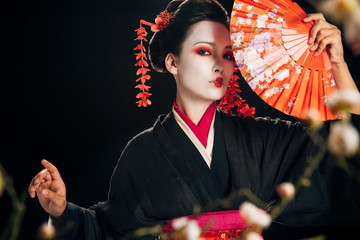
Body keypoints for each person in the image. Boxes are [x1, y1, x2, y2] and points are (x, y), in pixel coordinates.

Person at [28, 0, 360, 239]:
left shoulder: (264, 139)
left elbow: (342, 162)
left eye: (228, 54)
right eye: (204, 51)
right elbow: (106, 229)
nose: (219, 64)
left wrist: (337, 66)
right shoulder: (143, 152)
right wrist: (60, 210)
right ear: (172, 63)